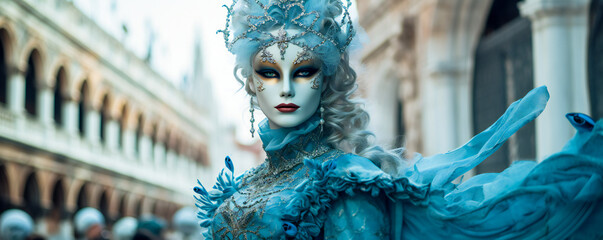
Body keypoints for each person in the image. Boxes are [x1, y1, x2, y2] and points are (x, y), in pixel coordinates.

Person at [194, 0, 603, 239]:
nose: (286, 89)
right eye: (269, 72)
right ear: (251, 82)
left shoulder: (344, 186)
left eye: (303, 71)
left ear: (327, 80)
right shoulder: (246, 184)